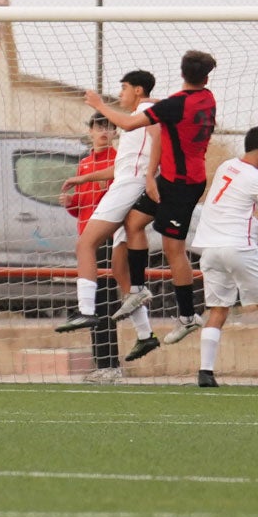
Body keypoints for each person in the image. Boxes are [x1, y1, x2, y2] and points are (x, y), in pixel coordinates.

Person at [86, 49, 217, 350]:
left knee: (173, 248)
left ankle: (188, 316)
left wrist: (98, 105)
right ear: (206, 77)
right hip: (168, 179)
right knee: (134, 222)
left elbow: (131, 124)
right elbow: (162, 131)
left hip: (182, 185)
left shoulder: (174, 105)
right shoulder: (206, 99)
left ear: (182, 73)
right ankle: (139, 289)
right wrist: (149, 175)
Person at [56, 73, 162, 380]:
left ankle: (85, 311)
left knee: (84, 245)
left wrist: (100, 104)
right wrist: (82, 179)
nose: (121, 93)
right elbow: (120, 165)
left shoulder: (147, 114)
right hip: (128, 184)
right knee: (120, 272)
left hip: (129, 187)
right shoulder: (134, 122)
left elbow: (150, 144)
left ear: (138, 90)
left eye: (124, 88)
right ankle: (145, 335)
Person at [182, 126, 258, 388]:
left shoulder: (226, 167)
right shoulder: (257, 178)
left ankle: (205, 372)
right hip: (239, 249)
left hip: (210, 251)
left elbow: (236, 211)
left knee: (218, 309)